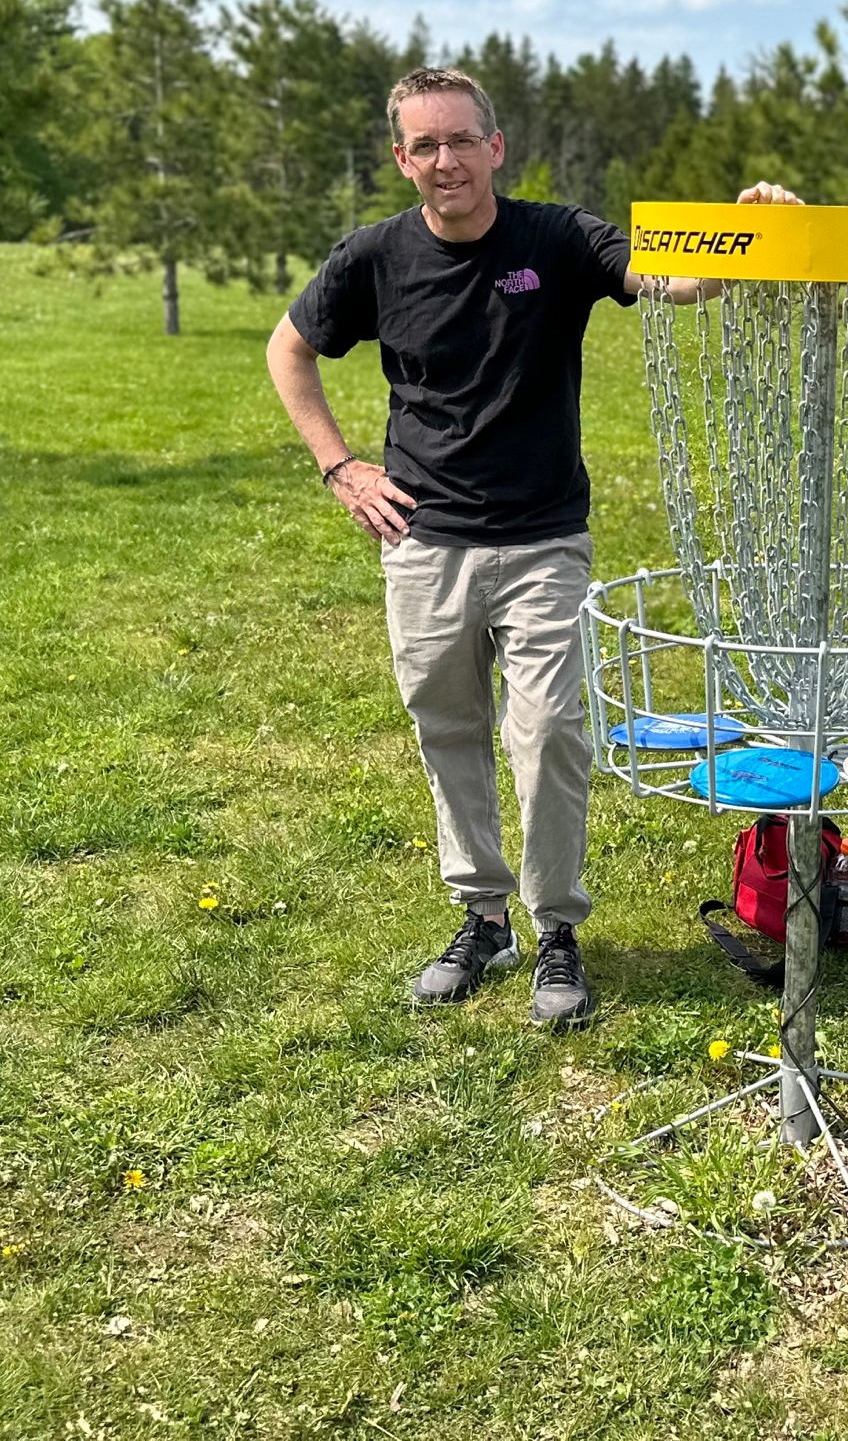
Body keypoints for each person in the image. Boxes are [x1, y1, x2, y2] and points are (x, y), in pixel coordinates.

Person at [264, 67, 712, 1026]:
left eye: (462, 140)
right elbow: (287, 349)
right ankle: (482, 914)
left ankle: (556, 929)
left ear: (496, 146)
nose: (445, 160)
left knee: (548, 732)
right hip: (425, 544)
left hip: (545, 538)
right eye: (424, 146)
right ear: (401, 159)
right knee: (450, 730)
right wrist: (341, 465)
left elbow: (669, 276)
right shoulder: (374, 257)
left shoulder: (556, 238)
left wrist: (741, 232)